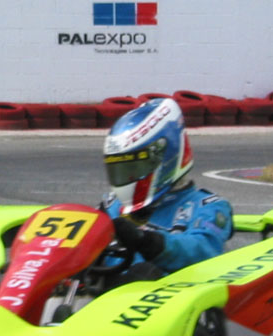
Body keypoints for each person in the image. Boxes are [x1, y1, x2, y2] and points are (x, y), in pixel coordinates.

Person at [99, 97, 233, 283]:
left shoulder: (208, 206)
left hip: (175, 294)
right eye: (121, 169)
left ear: (165, 158)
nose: (127, 176)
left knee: (144, 273)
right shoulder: (112, 207)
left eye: (134, 168)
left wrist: (146, 240)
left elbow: (203, 250)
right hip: (106, 292)